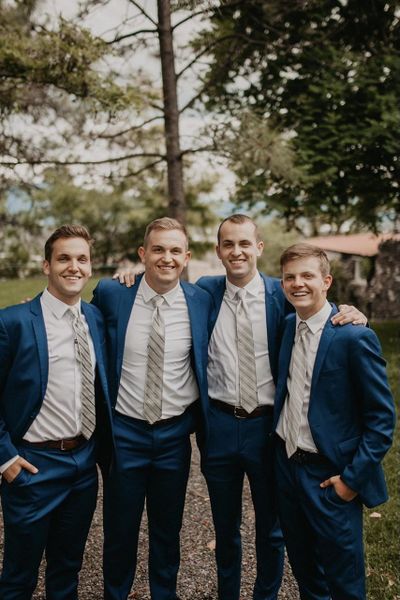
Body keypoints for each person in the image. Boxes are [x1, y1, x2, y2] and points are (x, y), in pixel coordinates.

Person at [195, 215, 367, 600]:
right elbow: (161, 287)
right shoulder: (204, 291)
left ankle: (266, 594)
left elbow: (318, 310)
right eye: (228, 244)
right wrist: (130, 280)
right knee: (225, 526)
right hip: (220, 425)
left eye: (244, 243)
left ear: (259, 247)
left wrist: (351, 312)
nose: (236, 251)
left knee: (272, 528)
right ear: (218, 250)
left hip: (267, 428)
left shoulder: (282, 294)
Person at [92, 217, 212, 600]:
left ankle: (165, 593)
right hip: (125, 432)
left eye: (175, 250)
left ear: (187, 257)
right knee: (120, 527)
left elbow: (264, 297)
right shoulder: (113, 294)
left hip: (173, 433)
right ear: (143, 254)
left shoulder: (202, 300)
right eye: (158, 249)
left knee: (167, 527)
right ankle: (116, 592)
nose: (166, 258)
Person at [273, 243, 395, 600]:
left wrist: (351, 481)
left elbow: (382, 418)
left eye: (308, 276)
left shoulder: (354, 336)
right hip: (288, 469)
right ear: (282, 285)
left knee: (344, 579)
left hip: (330, 476)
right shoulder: (285, 328)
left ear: (326, 281)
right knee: (306, 573)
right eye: (290, 277)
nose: (298, 283)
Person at [0, 225, 114, 600]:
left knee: (68, 570)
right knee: (19, 576)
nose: (74, 267)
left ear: (90, 266)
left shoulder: (95, 319)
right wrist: (6, 458)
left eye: (82, 259)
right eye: (64, 258)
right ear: (46, 265)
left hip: (82, 466)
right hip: (33, 465)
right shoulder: (13, 322)